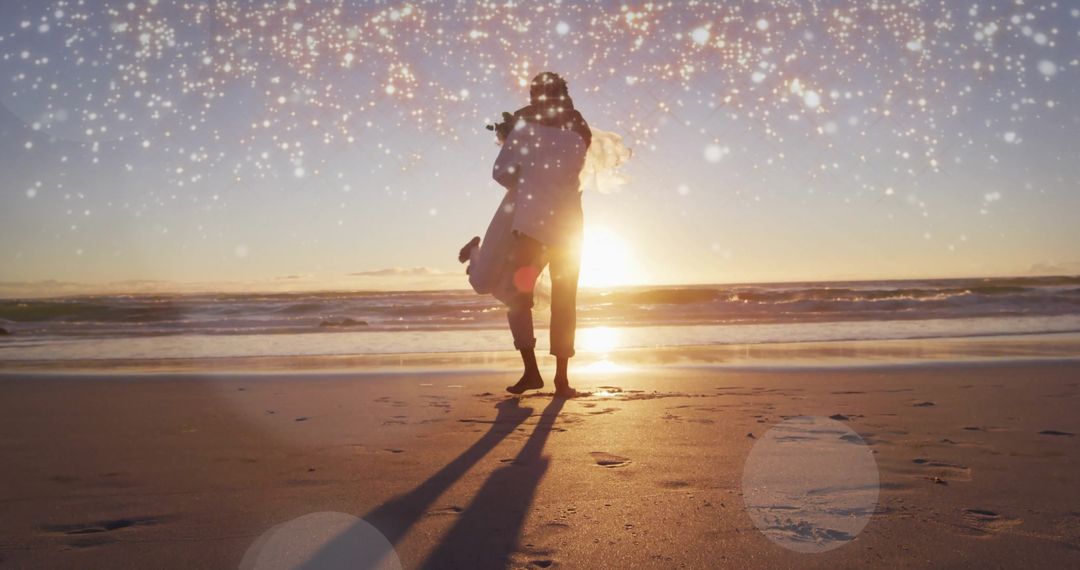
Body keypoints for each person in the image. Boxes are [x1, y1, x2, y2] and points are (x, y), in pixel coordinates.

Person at [461, 72, 591, 398]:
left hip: (532, 227)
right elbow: (574, 166)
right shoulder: (579, 129)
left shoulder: (525, 129)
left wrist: (525, 180)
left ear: (536, 97)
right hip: (569, 227)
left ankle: (532, 371)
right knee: (564, 301)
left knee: (518, 297)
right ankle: (562, 380)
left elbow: (500, 172)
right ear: (563, 95)